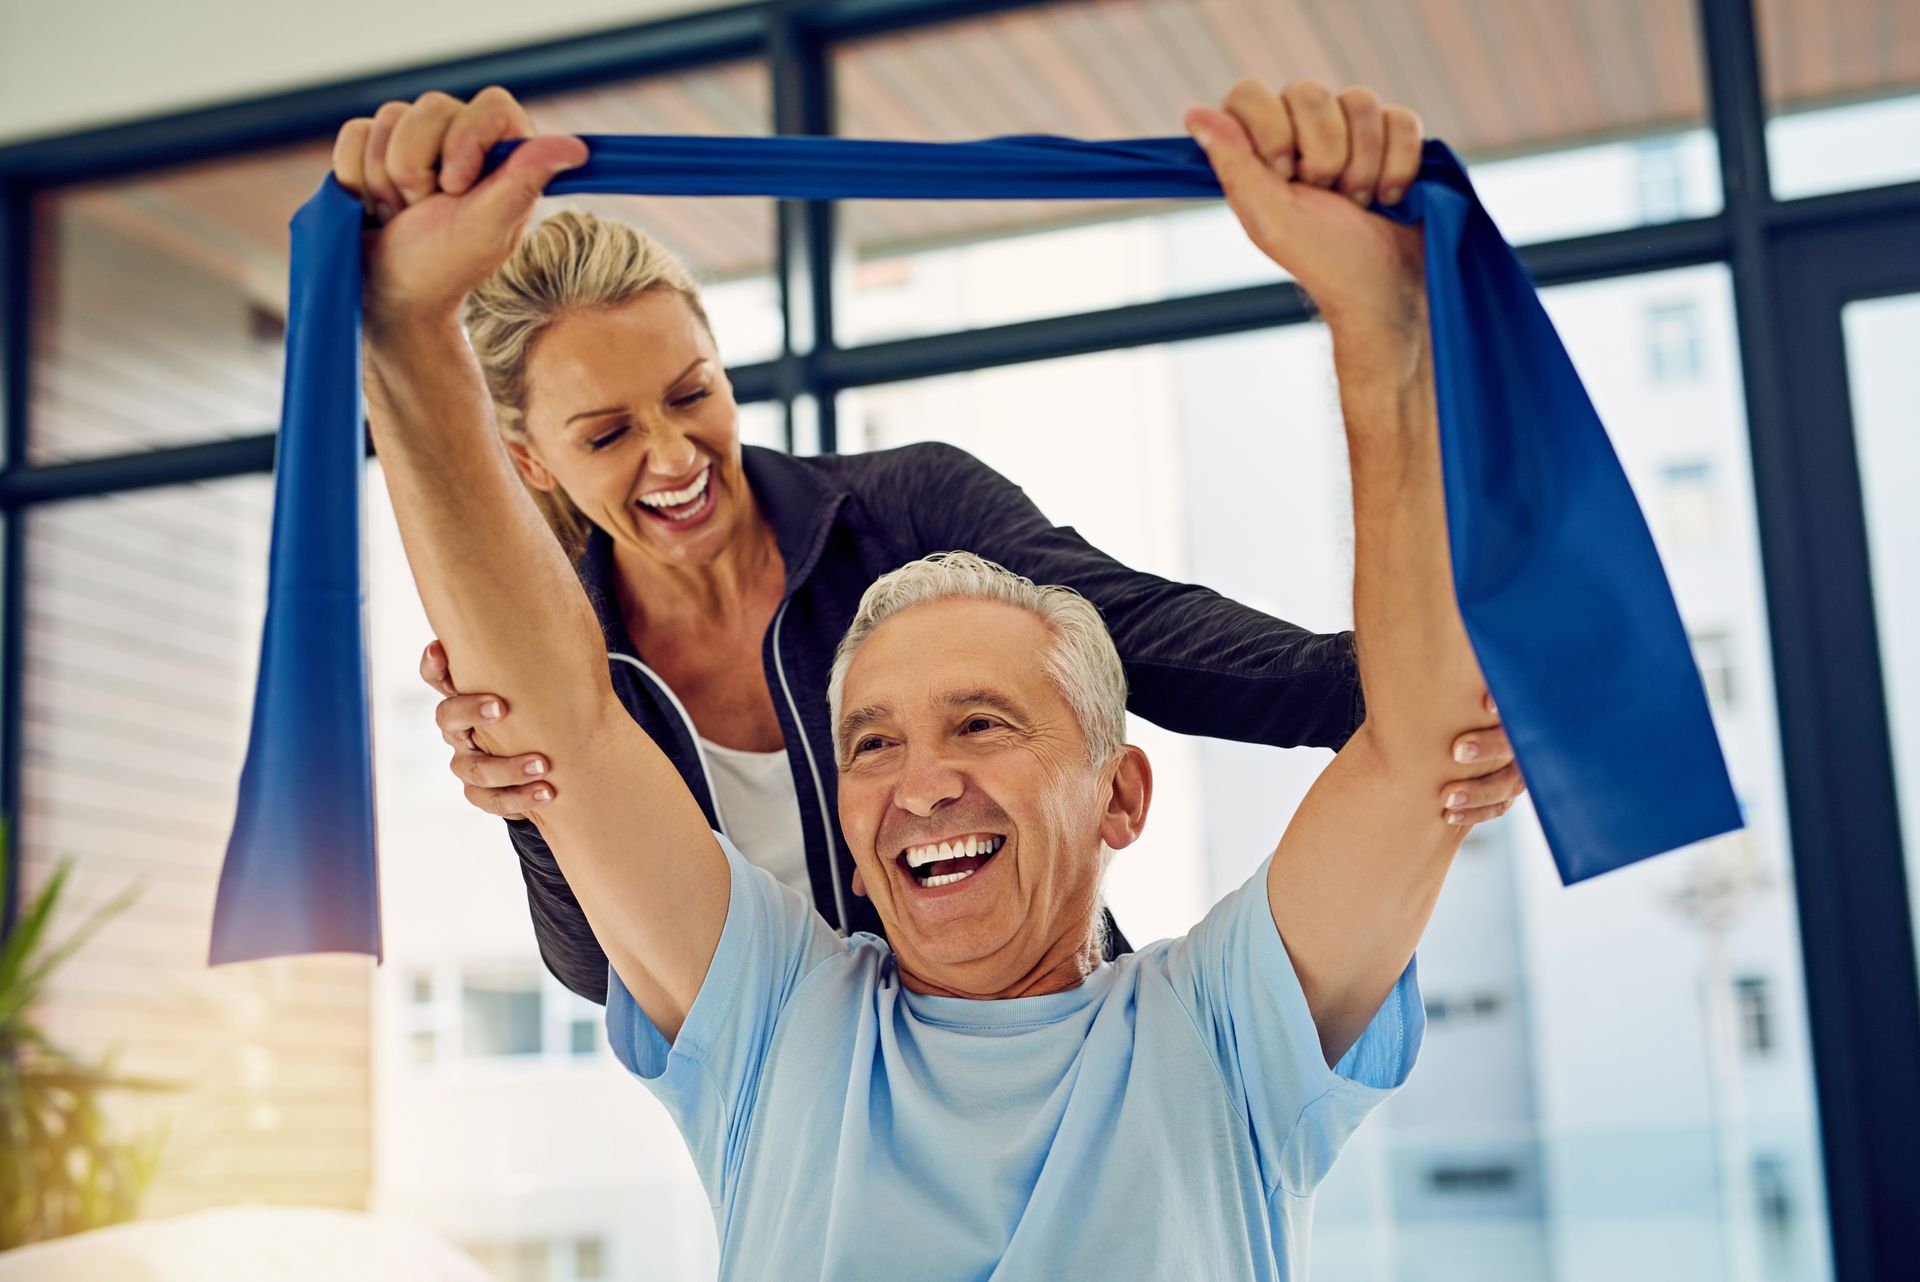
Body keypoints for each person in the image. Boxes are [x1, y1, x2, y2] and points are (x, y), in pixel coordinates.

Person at [357, 73, 1508, 1278]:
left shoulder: (1216, 1032)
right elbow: (566, 740)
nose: (921, 783)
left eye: (980, 721)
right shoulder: (778, 1025)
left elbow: (1276, 689)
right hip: (774, 1024)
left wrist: (1388, 319)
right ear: (534, 461)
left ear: (1123, 793)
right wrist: (402, 332)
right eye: (868, 742)